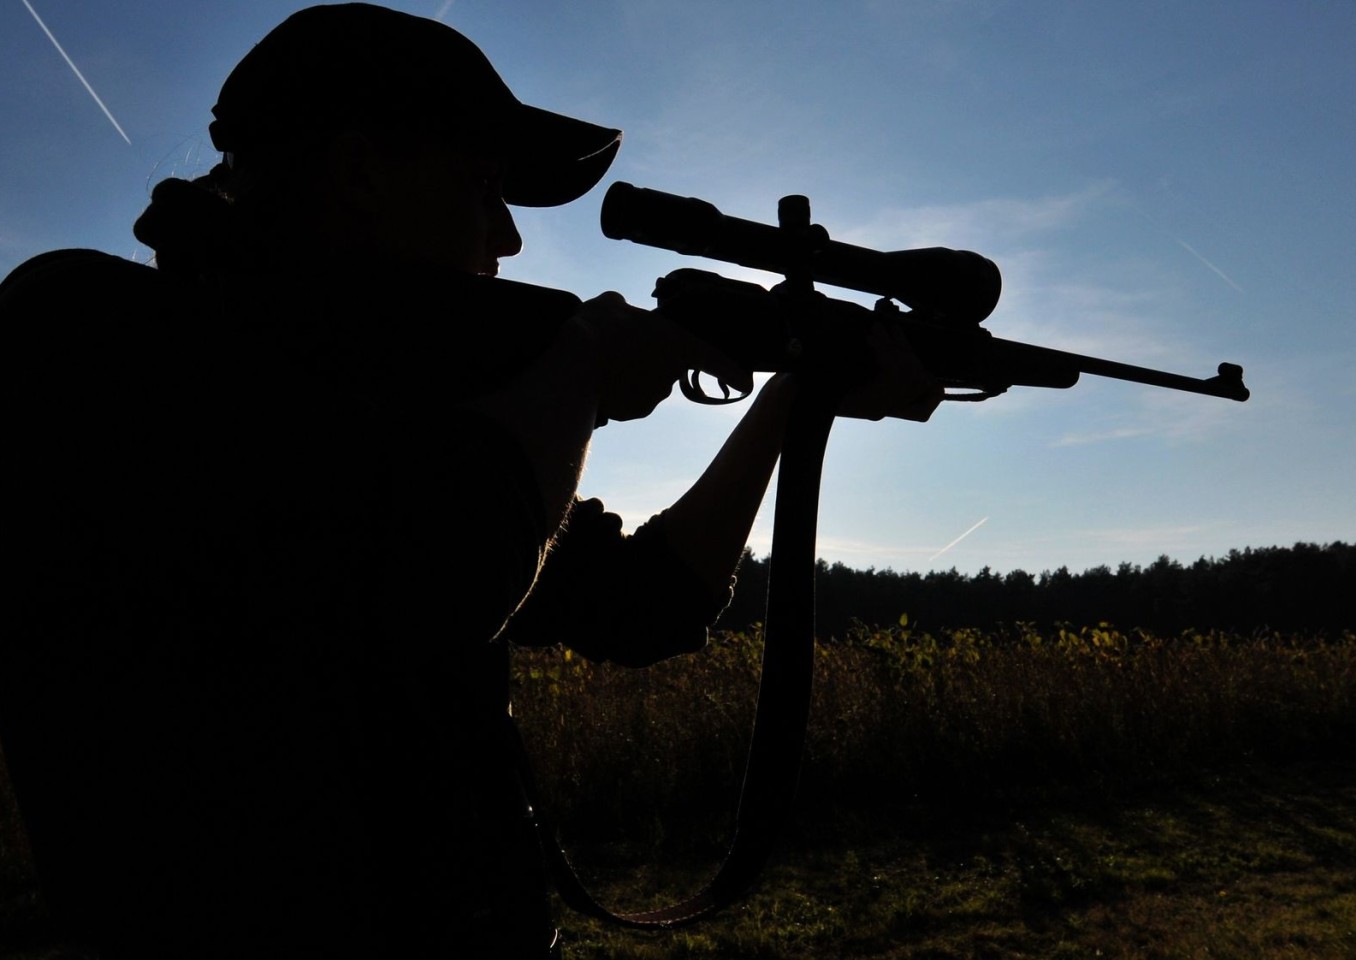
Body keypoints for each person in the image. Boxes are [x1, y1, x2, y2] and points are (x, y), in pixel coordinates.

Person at [0, 4, 939, 958]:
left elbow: (647, 604)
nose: (510, 239)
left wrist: (786, 401)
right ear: (362, 172)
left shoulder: (397, 417)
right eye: (485, 186)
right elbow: (423, 586)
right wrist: (575, 376)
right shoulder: (82, 334)